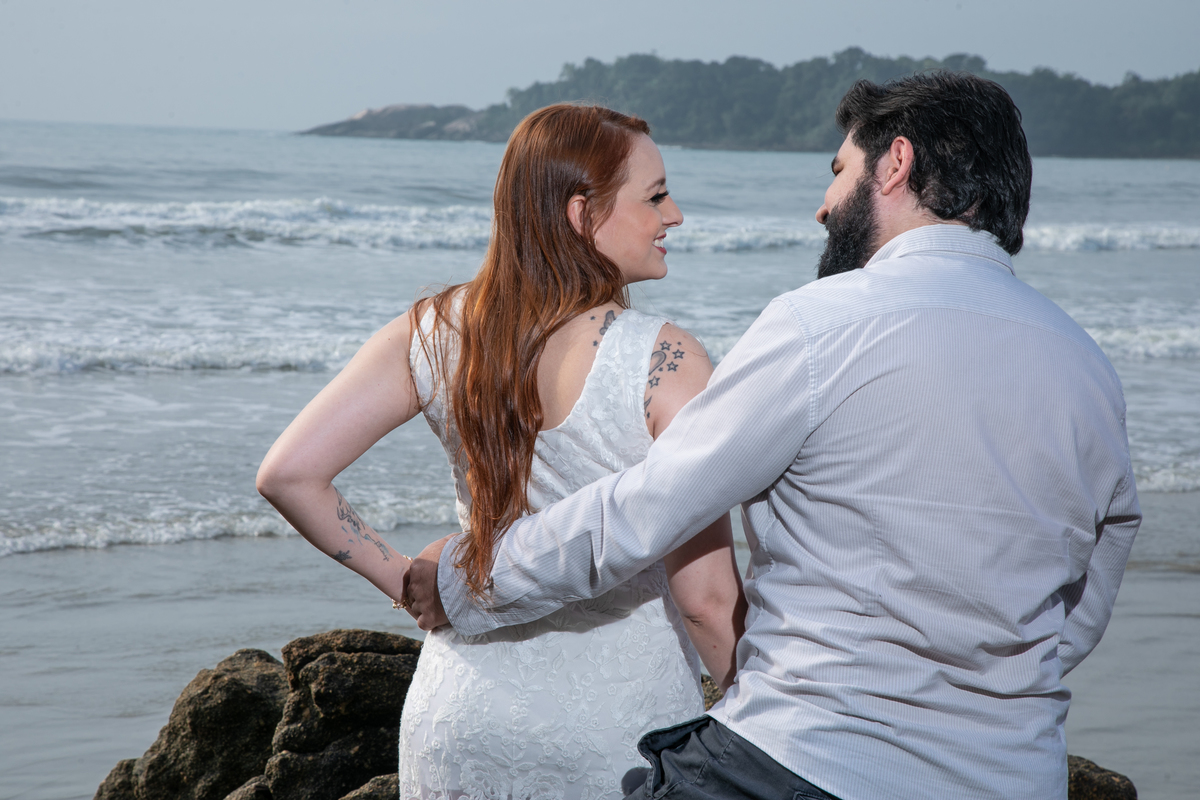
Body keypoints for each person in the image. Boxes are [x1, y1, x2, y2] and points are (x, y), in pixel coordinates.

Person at [404, 73, 1142, 800]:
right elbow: (1081, 608)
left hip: (807, 757)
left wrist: (470, 579)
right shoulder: (1088, 368)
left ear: (896, 164)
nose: (824, 206)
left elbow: (647, 509)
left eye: (840, 171)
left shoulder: (820, 326)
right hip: (1014, 774)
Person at [256, 103, 747, 799]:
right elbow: (708, 600)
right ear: (581, 213)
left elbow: (289, 474)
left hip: (457, 716)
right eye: (656, 196)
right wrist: (761, 728)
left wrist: (409, 583)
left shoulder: (434, 330)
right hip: (611, 730)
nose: (675, 216)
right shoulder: (666, 361)